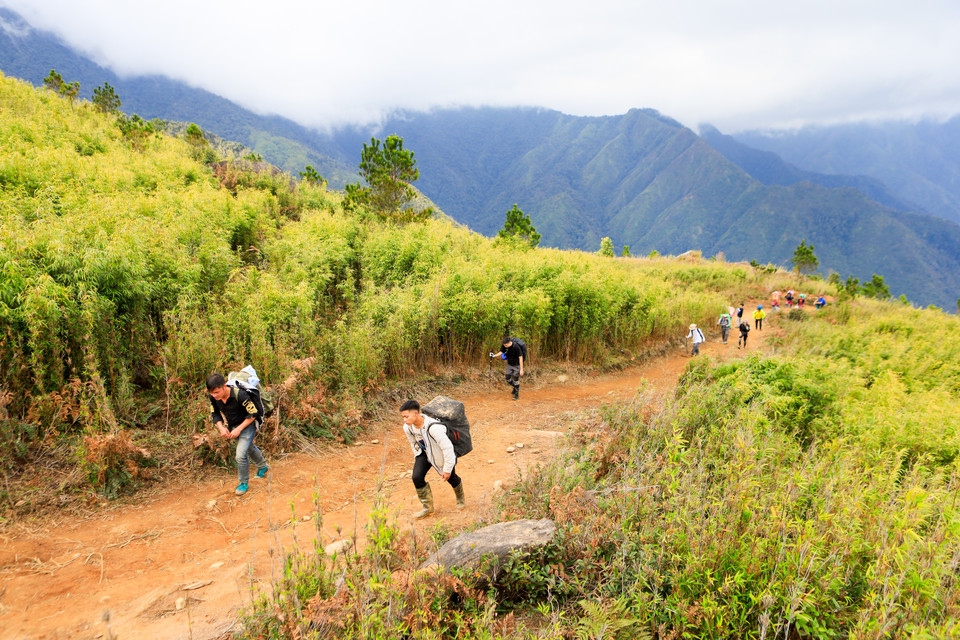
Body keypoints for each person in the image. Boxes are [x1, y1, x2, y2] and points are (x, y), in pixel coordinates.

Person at [400, 399, 464, 518]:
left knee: (451, 477)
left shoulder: (434, 428)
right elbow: (413, 443)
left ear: (415, 414)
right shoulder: (407, 427)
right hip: (424, 453)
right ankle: (427, 507)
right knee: (417, 477)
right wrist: (418, 456)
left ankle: (460, 497)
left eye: (406, 416)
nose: (404, 420)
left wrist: (447, 468)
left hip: (439, 453)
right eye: (403, 417)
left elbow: (448, 448)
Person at [207, 373, 268, 496]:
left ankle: (243, 482)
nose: (214, 395)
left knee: (240, 455)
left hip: (247, 425)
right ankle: (263, 466)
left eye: (217, 392)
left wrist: (239, 429)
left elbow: (253, 414)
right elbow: (215, 414)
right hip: (232, 426)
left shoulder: (240, 395)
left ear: (224, 386)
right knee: (249, 447)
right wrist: (221, 428)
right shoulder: (214, 397)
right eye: (212, 393)